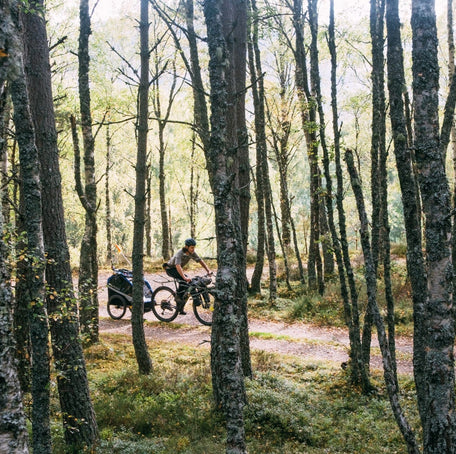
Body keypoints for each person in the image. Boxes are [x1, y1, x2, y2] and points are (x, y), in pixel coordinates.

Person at [163, 238, 211, 314]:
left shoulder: (192, 253)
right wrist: (184, 277)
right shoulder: (180, 253)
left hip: (177, 269)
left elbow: (200, 261)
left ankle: (180, 308)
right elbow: (178, 266)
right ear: (186, 246)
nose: (193, 249)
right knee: (186, 282)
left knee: (186, 288)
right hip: (171, 269)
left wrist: (208, 270)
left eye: (194, 247)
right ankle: (178, 298)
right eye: (191, 247)